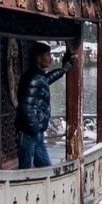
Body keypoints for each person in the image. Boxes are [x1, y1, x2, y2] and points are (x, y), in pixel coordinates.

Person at [15, 41, 73, 169]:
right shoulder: (33, 78)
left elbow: (46, 80)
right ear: (38, 58)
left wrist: (63, 70)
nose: (50, 58)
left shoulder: (38, 77)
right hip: (29, 132)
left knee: (46, 169)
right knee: (24, 171)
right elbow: (26, 106)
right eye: (47, 55)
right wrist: (34, 127)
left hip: (35, 133)